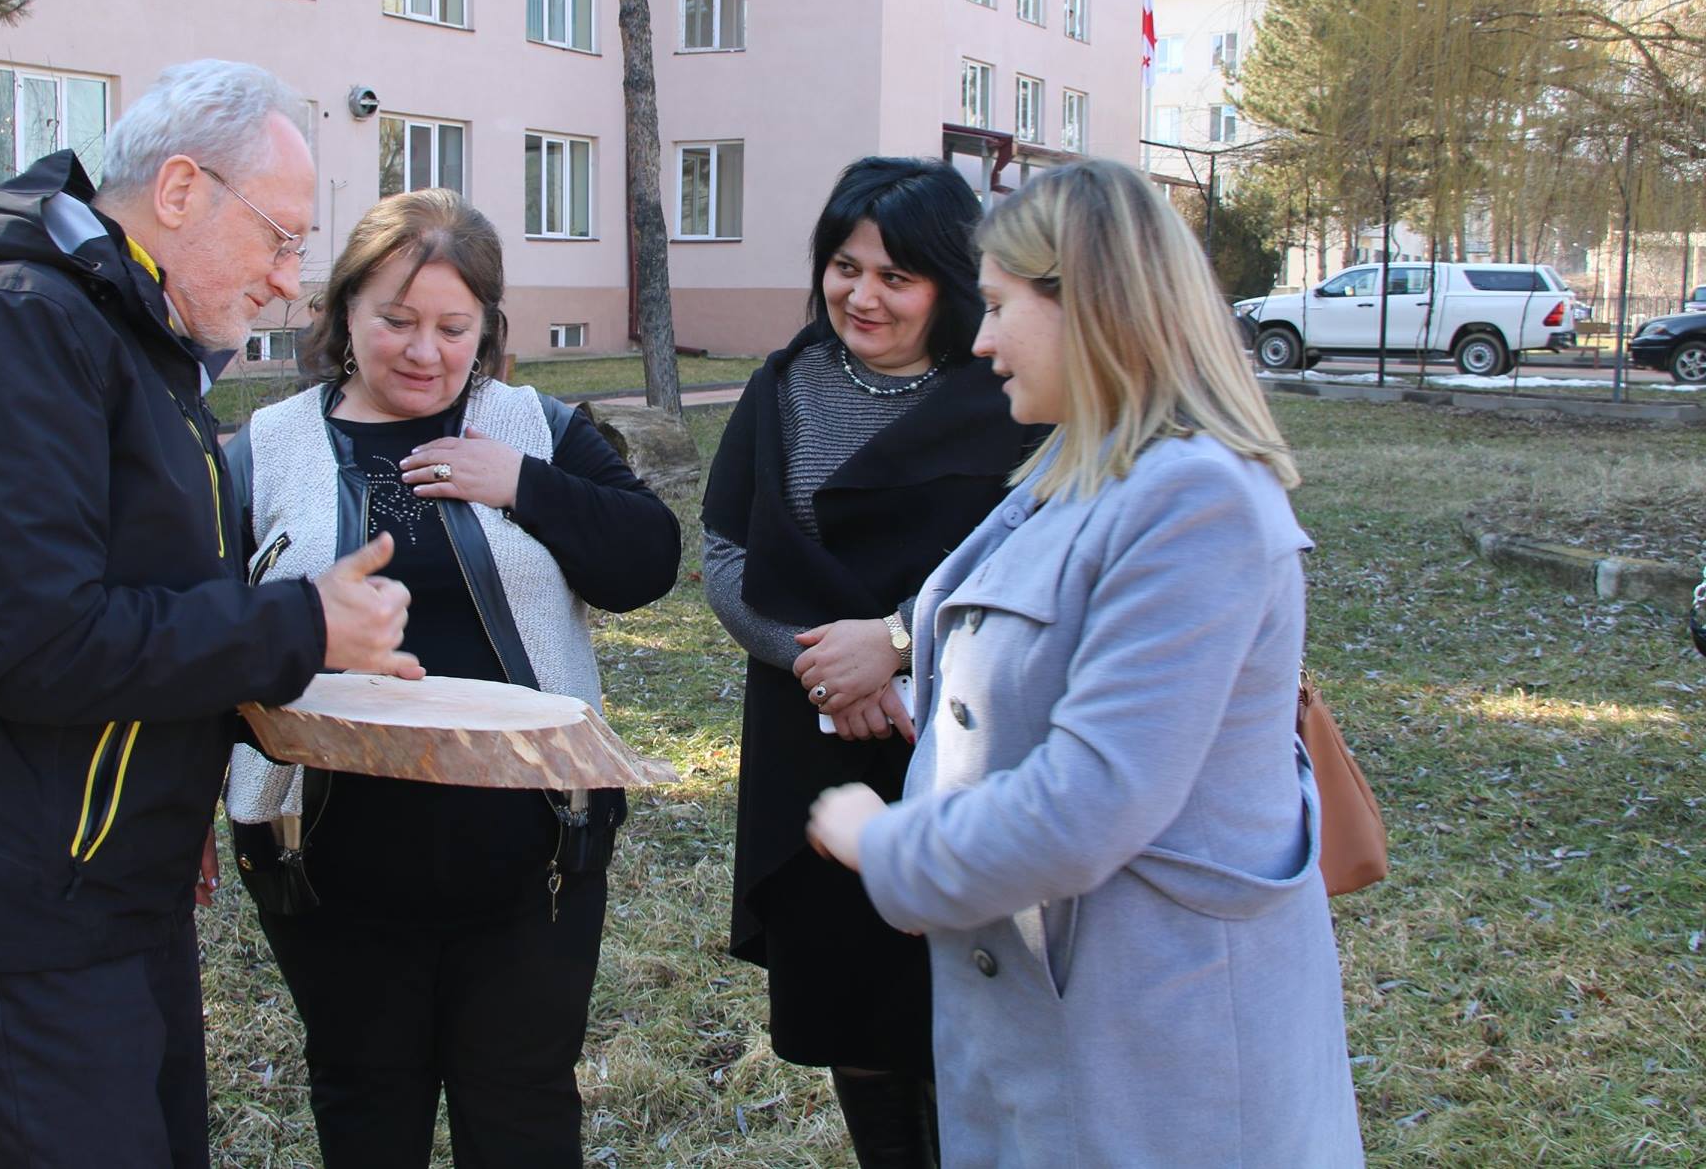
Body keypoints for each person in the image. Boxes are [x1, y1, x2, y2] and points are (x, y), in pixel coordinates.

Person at [0, 60, 421, 1168]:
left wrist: (192, 768)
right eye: (279, 239)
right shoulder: (15, 329)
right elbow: (38, 643)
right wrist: (299, 625)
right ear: (182, 189)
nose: (288, 282)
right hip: (19, 903)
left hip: (107, 880)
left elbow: (152, 607)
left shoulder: (134, 345)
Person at [807, 158, 1365, 1167]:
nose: (980, 340)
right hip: (1056, 1033)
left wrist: (891, 847)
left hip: (1160, 1059)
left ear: (1091, 303)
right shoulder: (1076, 474)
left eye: (998, 306)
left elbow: (1092, 795)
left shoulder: (1196, 501)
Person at [222, 187, 681, 1167]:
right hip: (327, 865)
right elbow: (207, 638)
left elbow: (646, 561)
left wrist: (521, 483)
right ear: (344, 309)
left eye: (452, 327)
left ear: (486, 327)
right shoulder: (266, 451)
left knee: (521, 1114)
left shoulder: (534, 428)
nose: (423, 352)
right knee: (364, 1109)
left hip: (532, 863)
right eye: (396, 320)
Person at [699, 158, 1043, 1167]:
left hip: (966, 739)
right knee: (851, 1012)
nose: (862, 295)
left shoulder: (1010, 390)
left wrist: (894, 646)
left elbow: (1033, 562)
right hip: (813, 750)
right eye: (844, 267)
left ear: (949, 282)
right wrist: (822, 667)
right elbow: (725, 556)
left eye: (896, 276)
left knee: (964, 1005)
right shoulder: (782, 387)